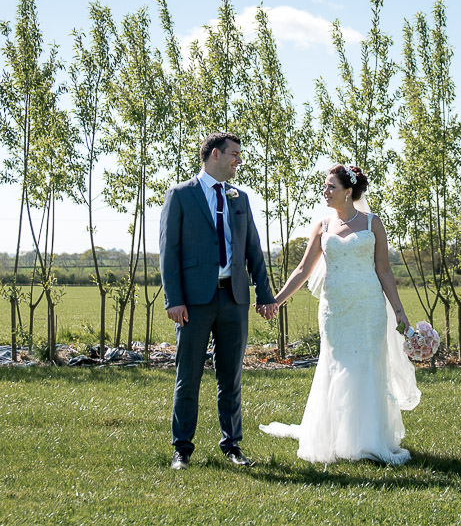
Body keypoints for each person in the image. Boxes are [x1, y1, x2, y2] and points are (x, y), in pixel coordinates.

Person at [259, 164, 421, 464]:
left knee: (366, 368)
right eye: (325, 185)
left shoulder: (373, 224)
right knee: (336, 367)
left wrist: (399, 312)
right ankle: (334, 435)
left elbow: (383, 270)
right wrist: (276, 300)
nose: (325, 191)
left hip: (368, 308)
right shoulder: (322, 227)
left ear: (348, 192)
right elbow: (302, 270)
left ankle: (368, 440)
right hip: (335, 311)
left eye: (331, 186)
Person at [158, 132, 276, 470]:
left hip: (234, 299)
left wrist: (264, 294)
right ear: (214, 155)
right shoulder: (180, 196)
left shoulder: (240, 198)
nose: (239, 160)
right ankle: (182, 449)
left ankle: (233, 447)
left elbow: (253, 249)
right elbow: (169, 253)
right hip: (193, 303)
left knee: (231, 377)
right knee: (188, 376)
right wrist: (174, 299)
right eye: (234, 154)